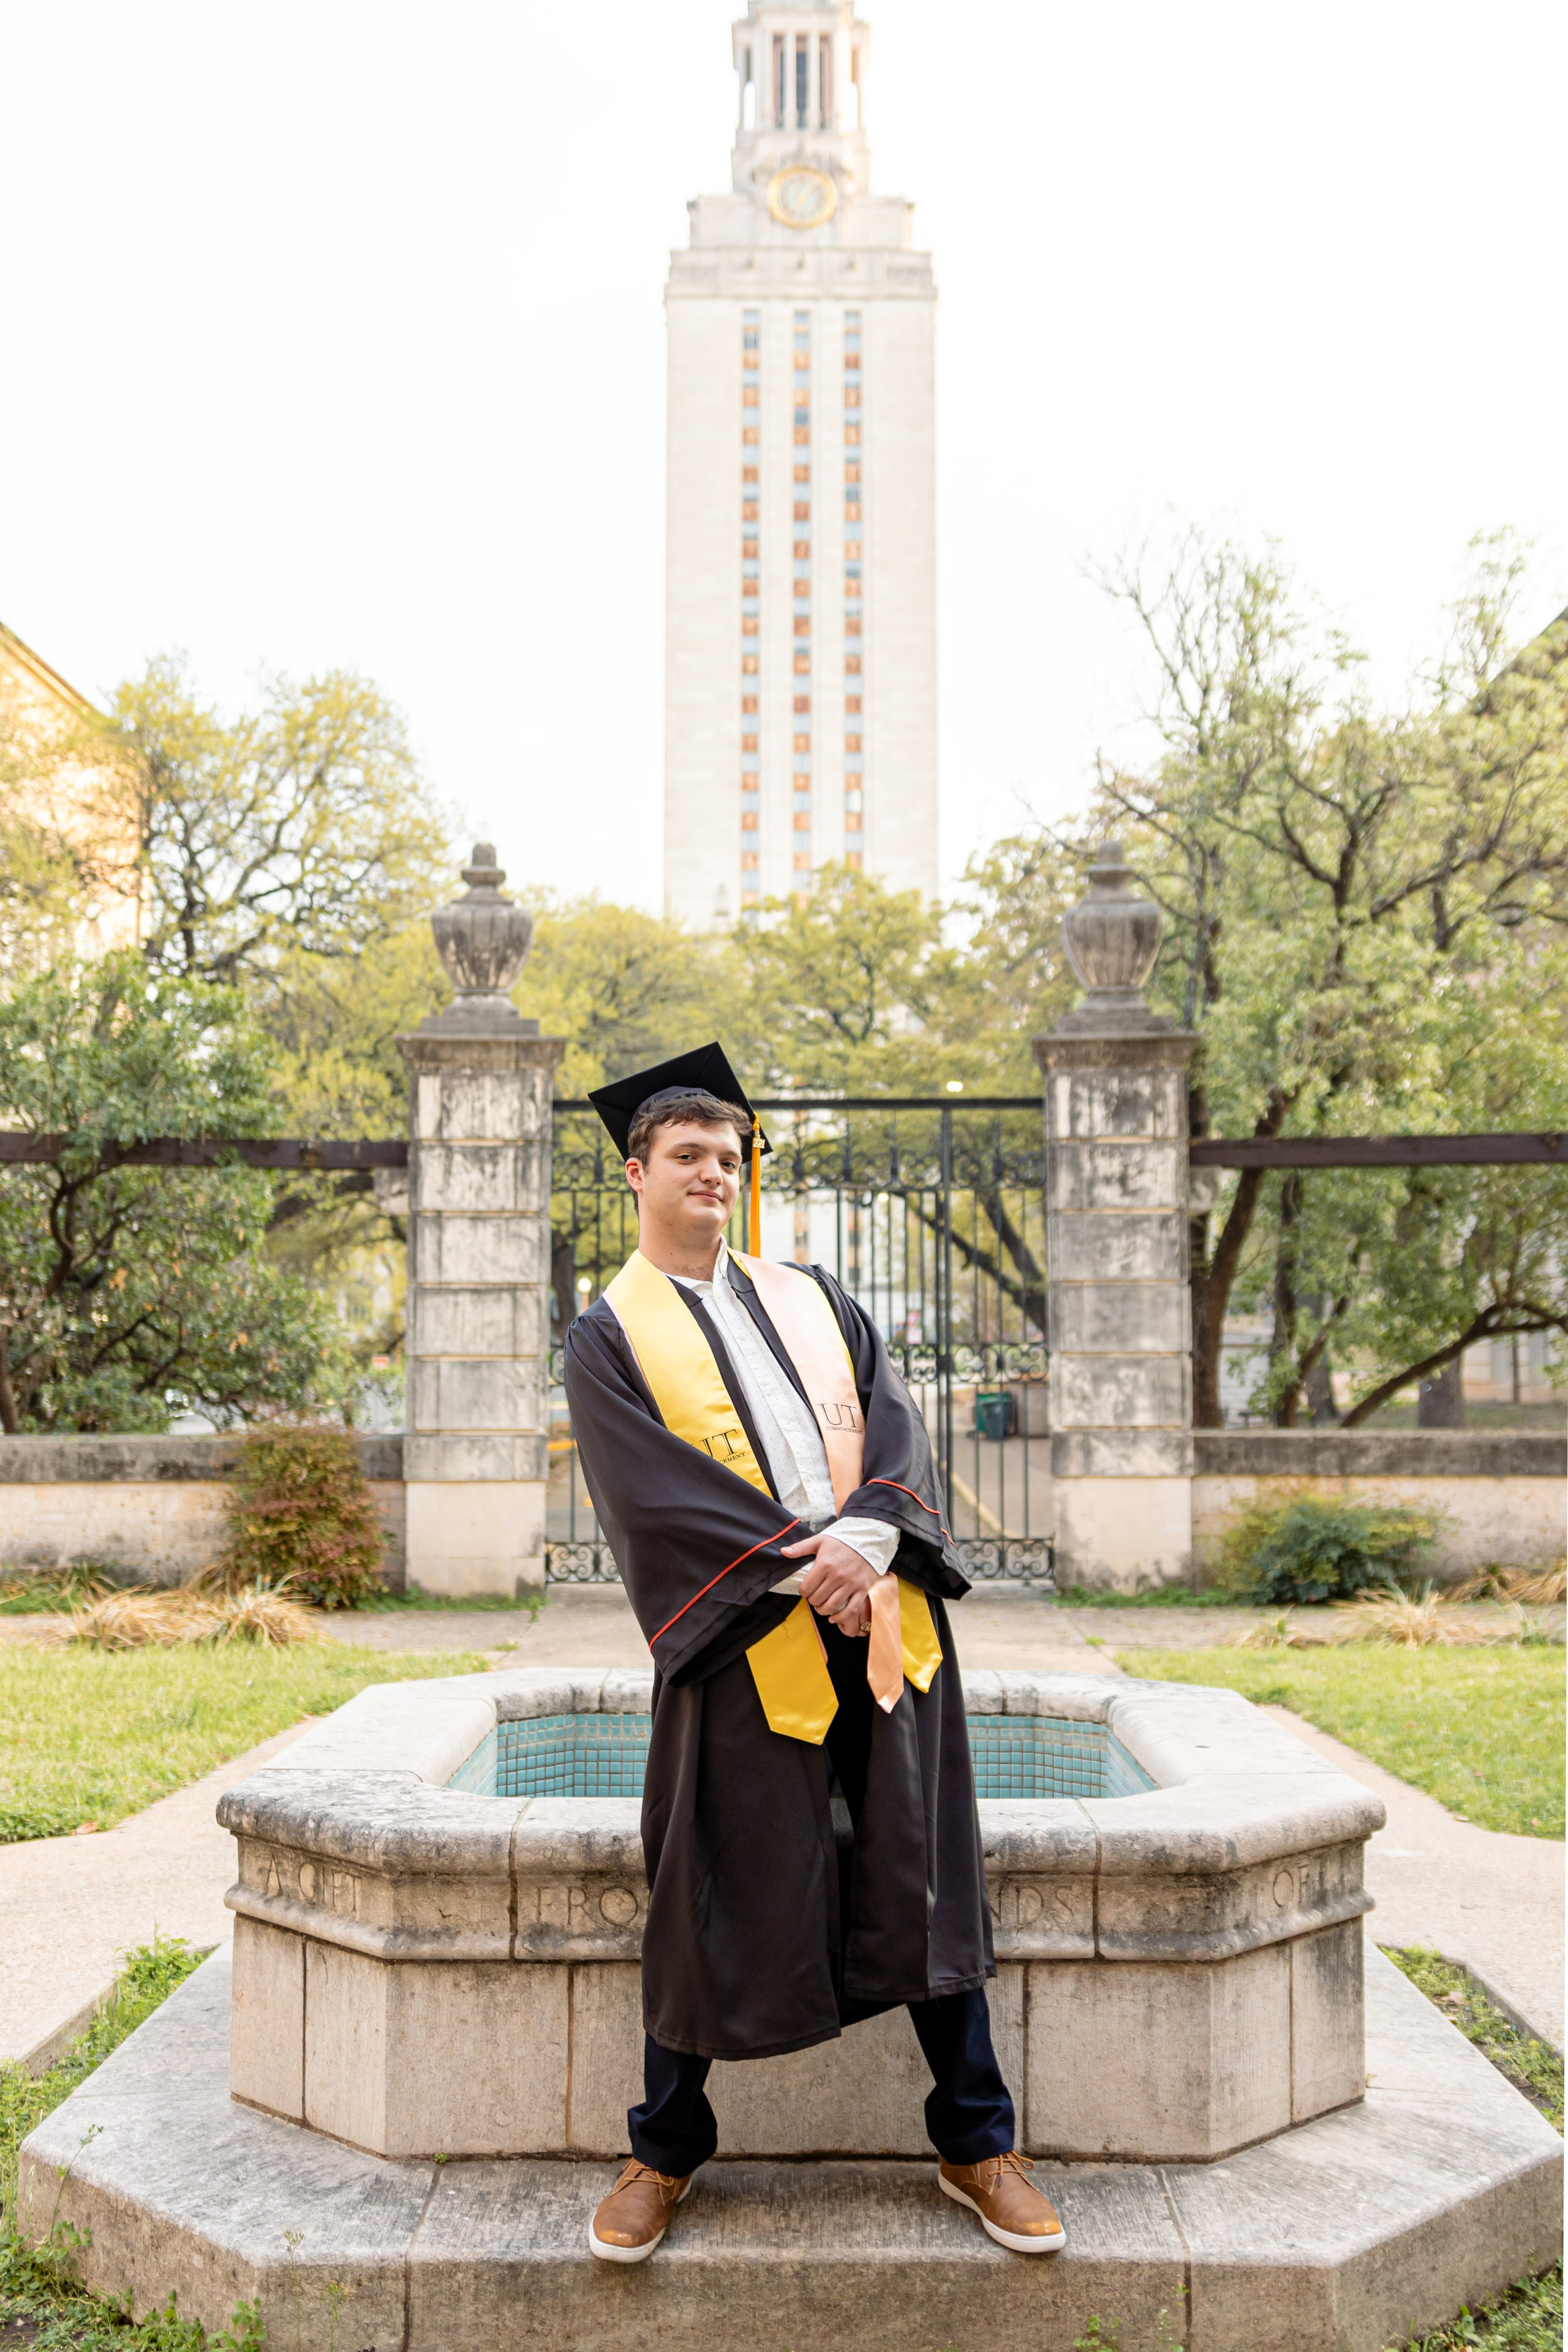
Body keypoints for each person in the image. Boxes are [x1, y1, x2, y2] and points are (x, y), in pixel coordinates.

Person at [563, 1044, 1065, 2264]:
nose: (712, 1174)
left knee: (922, 1876)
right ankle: (663, 2148)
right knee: (701, 1885)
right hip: (744, 1644)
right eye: (686, 1155)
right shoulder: (606, 1338)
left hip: (884, 1623)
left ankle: (974, 2141)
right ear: (636, 1172)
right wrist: (811, 1565)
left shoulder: (812, 1293)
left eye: (728, 1157)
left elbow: (896, 1423)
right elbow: (655, 1501)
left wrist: (869, 1540)